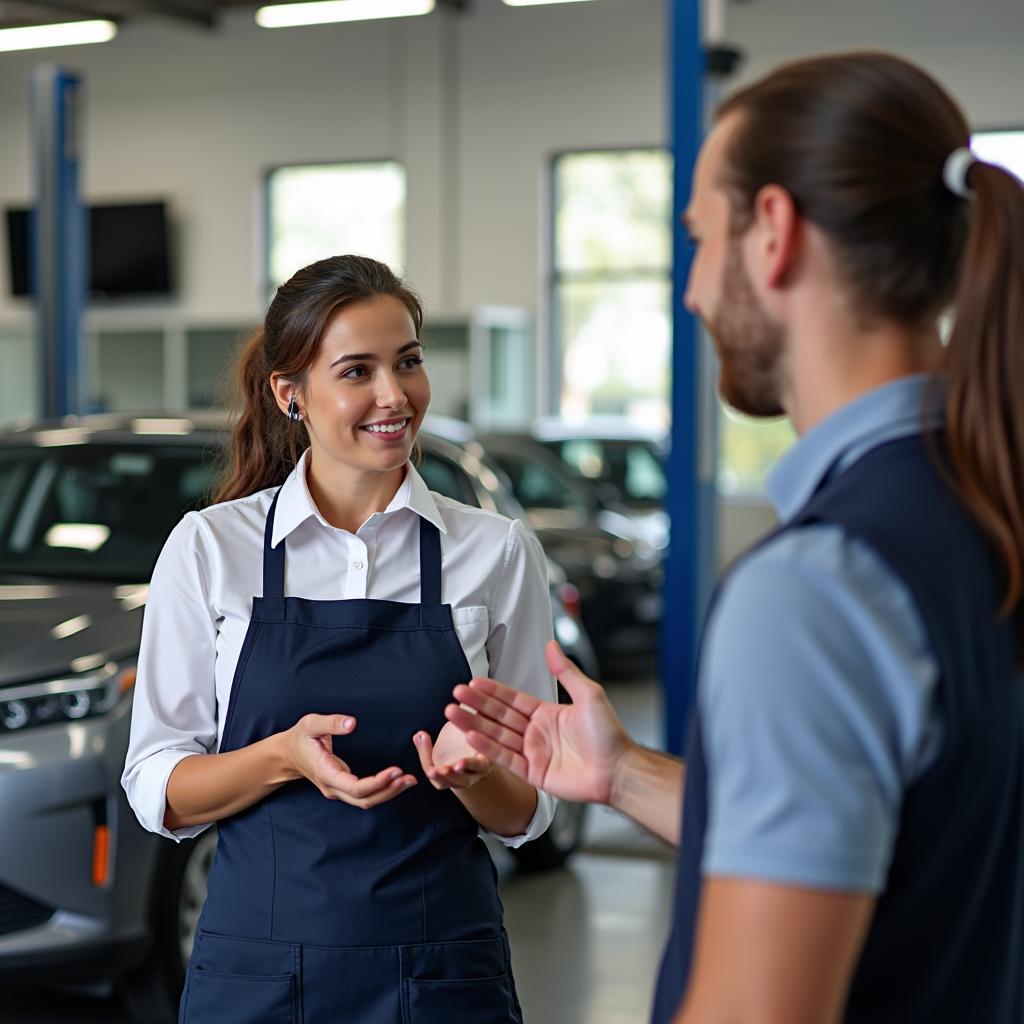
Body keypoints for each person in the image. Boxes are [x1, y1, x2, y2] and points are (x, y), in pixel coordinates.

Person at [446, 51, 1024, 1024]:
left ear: (773, 234)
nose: (691, 292)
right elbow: (892, 841)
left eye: (698, 241)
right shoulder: (986, 504)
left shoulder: (819, 586)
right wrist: (620, 772)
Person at [122, 255, 557, 1024]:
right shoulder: (209, 549)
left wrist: (474, 778)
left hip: (445, 970)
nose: (394, 396)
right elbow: (159, 788)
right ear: (290, 394)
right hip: (254, 970)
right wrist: (281, 758)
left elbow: (529, 808)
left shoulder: (495, 552)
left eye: (409, 362)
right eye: (357, 370)